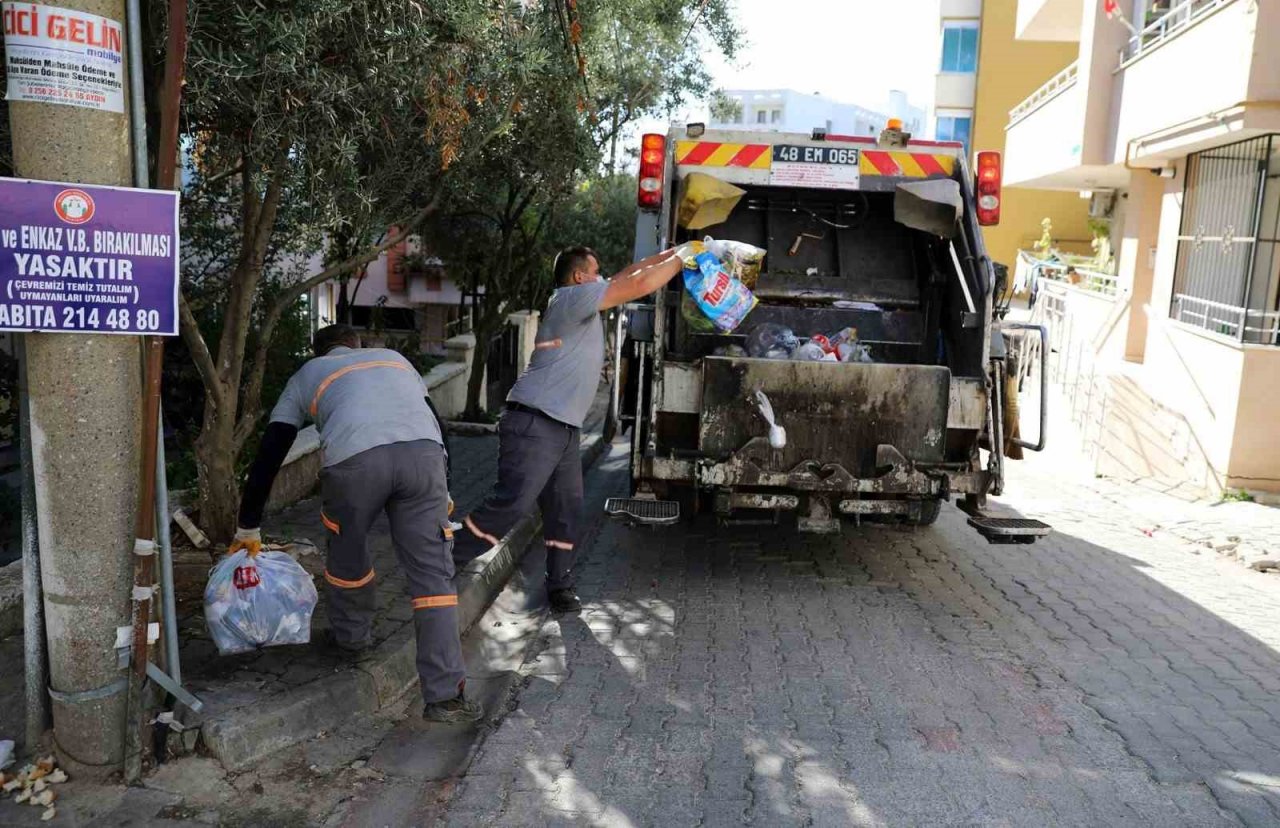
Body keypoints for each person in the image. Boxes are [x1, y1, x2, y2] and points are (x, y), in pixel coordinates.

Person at [228, 324, 479, 724]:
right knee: (434, 579)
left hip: (354, 464)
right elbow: (438, 424)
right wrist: (445, 487)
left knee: (349, 556)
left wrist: (249, 525)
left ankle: (352, 638)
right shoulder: (395, 360)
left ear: (319, 351)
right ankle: (446, 696)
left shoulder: (305, 375)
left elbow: (272, 449)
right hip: (424, 460)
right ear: (356, 345)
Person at [453, 245, 684, 613]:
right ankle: (445, 556)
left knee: (566, 509)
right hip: (535, 421)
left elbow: (630, 274)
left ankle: (559, 585)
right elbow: (639, 286)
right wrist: (685, 261)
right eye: (596, 271)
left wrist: (675, 250)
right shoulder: (572, 298)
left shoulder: (580, 298)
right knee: (512, 504)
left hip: (562, 429)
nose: (602, 278)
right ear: (579, 277)